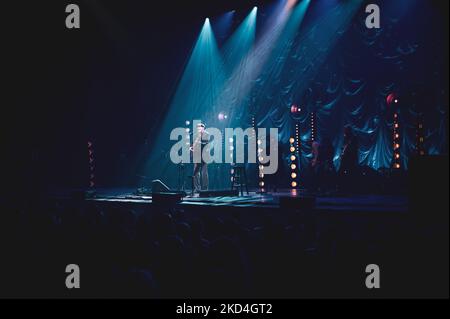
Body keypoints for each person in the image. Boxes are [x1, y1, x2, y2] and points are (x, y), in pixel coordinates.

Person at [192, 123, 210, 192]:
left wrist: (198, 141)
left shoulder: (206, 134)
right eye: (198, 128)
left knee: (204, 172)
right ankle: (197, 188)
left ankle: (205, 188)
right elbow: (193, 144)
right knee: (196, 173)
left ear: (203, 128)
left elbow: (205, 144)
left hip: (204, 156)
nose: (198, 129)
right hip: (197, 156)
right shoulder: (195, 135)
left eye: (200, 128)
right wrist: (192, 147)